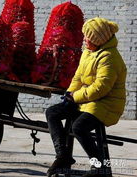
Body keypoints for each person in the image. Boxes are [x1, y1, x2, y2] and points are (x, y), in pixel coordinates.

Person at [45, 17, 127, 177]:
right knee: (52, 113)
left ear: (98, 39)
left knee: (78, 127)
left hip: (105, 104)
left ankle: (99, 167)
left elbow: (100, 88)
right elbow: (78, 77)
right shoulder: (89, 52)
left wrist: (75, 97)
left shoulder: (109, 57)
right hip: (88, 100)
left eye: (87, 37)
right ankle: (63, 156)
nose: (84, 39)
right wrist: (69, 94)